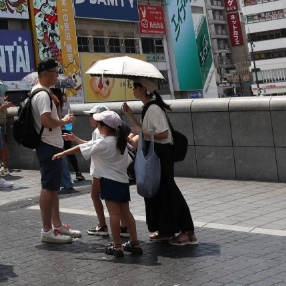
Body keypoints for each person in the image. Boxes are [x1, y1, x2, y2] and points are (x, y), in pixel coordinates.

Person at [55, 111, 141, 257]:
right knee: (126, 213)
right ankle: (135, 243)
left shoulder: (104, 142)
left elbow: (81, 149)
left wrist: (63, 153)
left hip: (109, 182)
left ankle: (118, 246)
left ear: (105, 127)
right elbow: (90, 146)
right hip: (122, 182)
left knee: (114, 214)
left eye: (99, 124)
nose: (98, 126)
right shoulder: (121, 141)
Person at [123, 78, 197, 246]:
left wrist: (140, 131)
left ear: (143, 89)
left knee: (169, 192)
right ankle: (166, 230)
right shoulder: (149, 107)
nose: (133, 90)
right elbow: (145, 129)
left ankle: (187, 231)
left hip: (162, 156)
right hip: (157, 155)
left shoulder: (154, 108)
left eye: (135, 87)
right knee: (160, 194)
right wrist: (129, 115)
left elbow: (163, 134)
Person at [30, 58, 81, 244]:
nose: (57, 76)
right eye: (54, 72)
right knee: (48, 188)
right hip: (48, 144)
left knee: (53, 188)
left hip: (50, 143)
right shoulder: (42, 95)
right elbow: (47, 122)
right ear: (45, 73)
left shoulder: (41, 92)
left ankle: (57, 225)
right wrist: (64, 120)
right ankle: (46, 230)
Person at [64, 104, 115, 237]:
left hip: (101, 170)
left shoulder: (100, 132)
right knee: (114, 202)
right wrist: (75, 139)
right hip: (104, 170)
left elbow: (91, 147)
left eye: (92, 115)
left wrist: (63, 153)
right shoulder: (104, 131)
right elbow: (91, 145)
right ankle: (121, 227)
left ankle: (105, 226)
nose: (89, 118)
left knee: (103, 199)